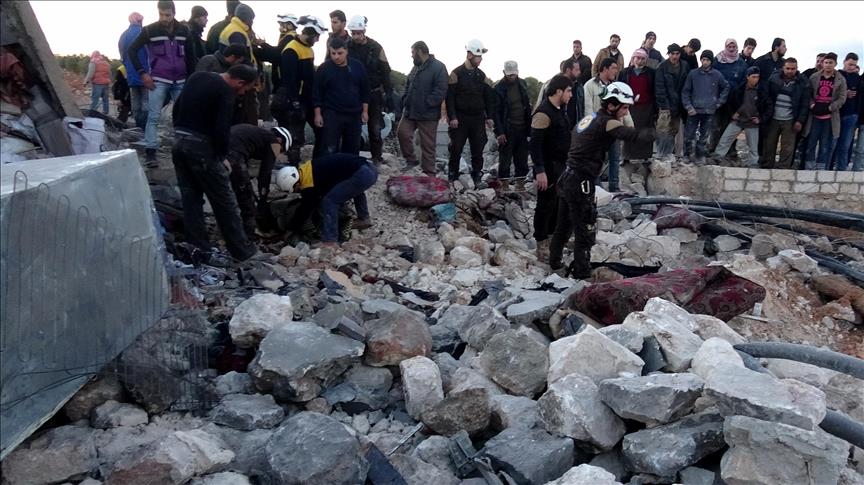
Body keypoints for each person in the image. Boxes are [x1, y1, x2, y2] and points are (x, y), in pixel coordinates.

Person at [549, 82, 655, 277]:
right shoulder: (607, 121)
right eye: (624, 108)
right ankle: (582, 275)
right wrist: (657, 132)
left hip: (567, 177)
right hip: (581, 181)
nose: (626, 112)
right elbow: (630, 134)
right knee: (585, 229)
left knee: (563, 226)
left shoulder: (591, 117)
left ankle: (554, 263)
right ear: (612, 105)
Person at [171, 64, 259, 264]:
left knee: (191, 200)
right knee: (224, 201)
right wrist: (221, 156)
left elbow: (177, 108)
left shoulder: (197, 77)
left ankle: (199, 250)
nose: (243, 93)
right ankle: (242, 252)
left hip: (179, 143)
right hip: (202, 149)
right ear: (240, 82)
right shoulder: (225, 91)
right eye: (245, 89)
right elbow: (222, 128)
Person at [127, 0, 190, 167]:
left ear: (174, 13)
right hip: (159, 80)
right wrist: (143, 73)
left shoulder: (184, 31)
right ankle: (151, 153)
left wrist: (191, 79)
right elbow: (132, 50)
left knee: (184, 117)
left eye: (167, 15)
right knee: (153, 116)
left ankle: (184, 152)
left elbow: (191, 55)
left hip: (181, 80)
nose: (164, 18)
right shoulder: (150, 30)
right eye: (161, 14)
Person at [281, 153, 379, 246]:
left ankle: (330, 240)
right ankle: (364, 218)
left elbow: (305, 208)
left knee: (329, 201)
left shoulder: (309, 184)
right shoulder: (307, 169)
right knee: (354, 188)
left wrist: (292, 228)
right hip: (370, 169)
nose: (297, 191)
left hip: (363, 175)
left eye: (295, 189)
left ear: (296, 184)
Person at [271, 15, 327, 164]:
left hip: (307, 99)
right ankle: (292, 166)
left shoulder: (308, 50)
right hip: (294, 100)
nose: (317, 40)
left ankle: (318, 163)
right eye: (316, 36)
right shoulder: (291, 50)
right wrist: (294, 102)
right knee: (295, 137)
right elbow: (288, 80)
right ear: (309, 32)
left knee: (321, 130)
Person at [529, 74, 572, 263]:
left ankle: (554, 238)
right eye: (568, 91)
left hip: (561, 165)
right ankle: (541, 243)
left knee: (557, 204)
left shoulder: (560, 110)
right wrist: (540, 171)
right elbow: (535, 145)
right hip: (547, 167)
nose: (570, 94)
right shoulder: (543, 113)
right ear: (559, 91)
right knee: (545, 205)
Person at [446, 39, 496, 184]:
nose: (480, 59)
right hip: (460, 118)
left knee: (478, 149)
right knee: (456, 148)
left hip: (477, 118)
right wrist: (452, 117)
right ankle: (453, 175)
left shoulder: (482, 76)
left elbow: (488, 97)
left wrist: (489, 116)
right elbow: (450, 97)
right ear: (469, 55)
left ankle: (477, 176)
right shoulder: (456, 73)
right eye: (478, 56)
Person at [226, 125, 291, 239]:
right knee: (246, 197)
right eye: (281, 151)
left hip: (221, 148)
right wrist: (263, 199)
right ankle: (248, 236)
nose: (278, 154)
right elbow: (265, 173)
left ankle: (230, 227)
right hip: (234, 153)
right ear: (281, 141)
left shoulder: (260, 135)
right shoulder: (274, 141)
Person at [397, 41, 448, 176]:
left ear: (420, 51)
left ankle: (429, 174)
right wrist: (405, 99)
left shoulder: (439, 67)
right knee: (402, 133)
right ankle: (411, 160)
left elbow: (441, 90)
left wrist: (428, 103)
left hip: (428, 114)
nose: (412, 56)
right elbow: (408, 84)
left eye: (413, 52)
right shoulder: (415, 67)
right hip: (410, 111)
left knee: (428, 145)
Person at [347, 15, 393, 165]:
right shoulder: (346, 46)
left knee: (375, 127)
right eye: (353, 33)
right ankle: (351, 157)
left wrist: (389, 93)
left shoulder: (376, 48)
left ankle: (376, 157)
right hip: (353, 93)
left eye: (358, 33)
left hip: (373, 92)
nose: (356, 36)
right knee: (352, 127)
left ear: (364, 31)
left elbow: (385, 71)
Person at [314, 37, 370, 156]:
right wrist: (318, 114)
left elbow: (365, 90)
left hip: (354, 114)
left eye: (340, 53)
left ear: (346, 51)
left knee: (352, 149)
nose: (336, 57)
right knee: (329, 148)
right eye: (333, 53)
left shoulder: (357, 66)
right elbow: (317, 92)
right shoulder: (324, 68)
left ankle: (349, 168)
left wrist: (365, 111)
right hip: (332, 113)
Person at [712, 67, 771, 167]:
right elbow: (730, 102)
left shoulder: (762, 91)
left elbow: (769, 107)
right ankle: (717, 157)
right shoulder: (739, 88)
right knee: (725, 140)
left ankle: (753, 163)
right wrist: (733, 113)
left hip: (752, 123)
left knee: (753, 147)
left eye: (757, 77)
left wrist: (760, 119)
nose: (756, 79)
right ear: (747, 77)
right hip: (738, 120)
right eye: (753, 77)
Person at [681, 50, 730, 164]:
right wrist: (688, 106)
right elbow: (685, 91)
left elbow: (726, 87)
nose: (705, 62)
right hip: (694, 110)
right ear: (701, 60)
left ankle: (700, 156)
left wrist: (719, 102)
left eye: (707, 60)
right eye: (703, 59)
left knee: (704, 136)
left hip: (709, 110)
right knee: (689, 135)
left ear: (711, 61)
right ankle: (687, 155)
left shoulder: (717, 75)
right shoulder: (693, 74)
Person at [584, 57, 625, 191]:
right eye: (613, 68)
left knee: (615, 158)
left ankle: (614, 187)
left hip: (614, 126)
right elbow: (588, 108)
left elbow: (624, 106)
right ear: (605, 69)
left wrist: (629, 125)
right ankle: (597, 187)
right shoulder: (590, 85)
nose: (616, 71)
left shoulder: (617, 87)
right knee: (596, 158)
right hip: (598, 128)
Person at [761, 58, 810, 169]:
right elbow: (766, 97)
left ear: (797, 69)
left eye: (793, 69)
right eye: (787, 68)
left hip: (790, 119)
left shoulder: (802, 82)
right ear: (783, 68)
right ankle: (766, 168)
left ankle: (783, 171)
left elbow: (804, 103)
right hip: (773, 117)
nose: (790, 71)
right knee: (769, 145)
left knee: (787, 148)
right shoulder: (774, 79)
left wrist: (800, 120)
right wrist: (766, 115)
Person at [805, 52, 848, 170]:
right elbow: (807, 93)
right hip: (814, 116)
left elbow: (842, 98)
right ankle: (808, 167)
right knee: (811, 143)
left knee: (824, 145)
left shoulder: (840, 79)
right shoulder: (814, 77)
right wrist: (812, 105)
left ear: (835, 64)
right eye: (826, 62)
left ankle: (821, 168)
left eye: (831, 62)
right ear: (823, 63)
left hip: (829, 117)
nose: (828, 65)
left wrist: (830, 108)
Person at [494, 61, 531, 189]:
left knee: (522, 158)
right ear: (504, 72)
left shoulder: (523, 84)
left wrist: (529, 128)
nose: (512, 77)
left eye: (514, 74)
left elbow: (527, 106)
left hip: (522, 127)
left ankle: (520, 185)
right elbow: (496, 113)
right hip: (507, 129)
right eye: (509, 75)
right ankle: (504, 186)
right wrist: (499, 132)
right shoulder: (498, 88)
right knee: (505, 159)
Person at [711, 39, 748, 155]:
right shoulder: (717, 61)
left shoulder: (741, 63)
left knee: (730, 126)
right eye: (729, 47)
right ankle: (713, 148)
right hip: (717, 99)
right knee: (715, 125)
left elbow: (744, 82)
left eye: (733, 47)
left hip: (733, 101)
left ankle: (729, 151)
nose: (731, 49)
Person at [619, 49, 656, 162]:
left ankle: (645, 157)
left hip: (647, 107)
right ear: (633, 58)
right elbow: (620, 89)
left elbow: (654, 90)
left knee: (646, 133)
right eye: (638, 58)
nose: (640, 61)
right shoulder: (625, 73)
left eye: (643, 58)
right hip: (630, 107)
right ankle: (626, 157)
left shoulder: (651, 73)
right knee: (629, 131)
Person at [655, 43, 690, 161]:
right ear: (668, 54)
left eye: (677, 54)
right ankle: (660, 153)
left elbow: (687, 86)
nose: (675, 56)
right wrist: (664, 106)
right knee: (663, 129)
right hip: (665, 105)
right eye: (672, 54)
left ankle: (668, 153)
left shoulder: (684, 66)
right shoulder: (662, 67)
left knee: (673, 130)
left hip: (679, 105)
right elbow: (659, 88)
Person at [118, 11, 149, 128]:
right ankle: (144, 126)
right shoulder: (144, 32)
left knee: (135, 100)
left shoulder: (123, 36)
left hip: (131, 74)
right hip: (145, 73)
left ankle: (137, 125)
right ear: (139, 21)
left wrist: (128, 66)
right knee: (146, 101)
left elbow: (122, 55)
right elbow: (150, 53)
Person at [833, 53, 860, 170]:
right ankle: (828, 168)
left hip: (850, 114)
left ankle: (841, 169)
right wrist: (844, 93)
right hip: (836, 113)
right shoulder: (837, 75)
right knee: (832, 143)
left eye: (854, 65)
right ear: (844, 62)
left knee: (845, 145)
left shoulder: (857, 78)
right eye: (850, 64)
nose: (851, 67)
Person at [183, 6, 208, 74]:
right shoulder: (191, 33)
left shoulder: (195, 32)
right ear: (196, 18)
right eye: (205, 17)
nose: (207, 20)